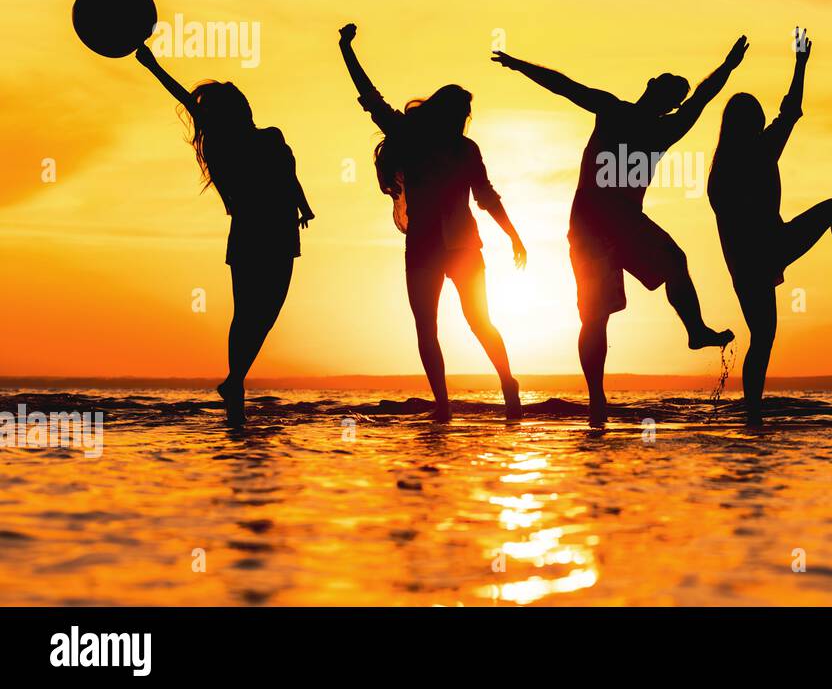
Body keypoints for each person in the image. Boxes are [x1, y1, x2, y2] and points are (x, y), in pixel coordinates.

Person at [491, 36, 747, 426]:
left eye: (674, 98)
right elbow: (566, 87)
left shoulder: (667, 128)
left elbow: (703, 96)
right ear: (650, 85)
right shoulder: (612, 110)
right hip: (591, 223)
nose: (669, 100)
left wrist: (727, 66)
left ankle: (695, 331)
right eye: (666, 89)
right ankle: (597, 400)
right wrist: (520, 65)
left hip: (626, 220)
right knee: (595, 317)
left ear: (671, 105)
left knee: (676, 261)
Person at [708, 29, 832, 425]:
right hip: (762, 254)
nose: (762, 127)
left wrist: (799, 65)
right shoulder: (751, 157)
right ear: (745, 126)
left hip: (748, 264)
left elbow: (788, 113)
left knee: (762, 339)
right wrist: (799, 64)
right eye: (756, 122)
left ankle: (753, 415)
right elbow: (790, 111)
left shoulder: (724, 168)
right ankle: (753, 414)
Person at [338, 23, 524, 421]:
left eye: (467, 115)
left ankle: (508, 383)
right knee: (427, 327)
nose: (464, 120)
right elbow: (371, 98)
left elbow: (486, 195)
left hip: (463, 247)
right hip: (422, 245)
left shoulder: (466, 150)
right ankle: (442, 405)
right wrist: (346, 49)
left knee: (479, 322)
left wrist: (514, 237)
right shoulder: (409, 136)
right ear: (446, 112)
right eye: (460, 113)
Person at [135, 44, 313, 424]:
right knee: (249, 311)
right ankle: (236, 384)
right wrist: (153, 65)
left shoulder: (272, 135)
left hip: (282, 228)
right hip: (254, 229)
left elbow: (289, 175)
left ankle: (235, 382)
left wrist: (305, 207)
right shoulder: (228, 141)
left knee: (267, 311)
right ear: (231, 112)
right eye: (237, 103)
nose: (244, 105)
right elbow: (185, 98)